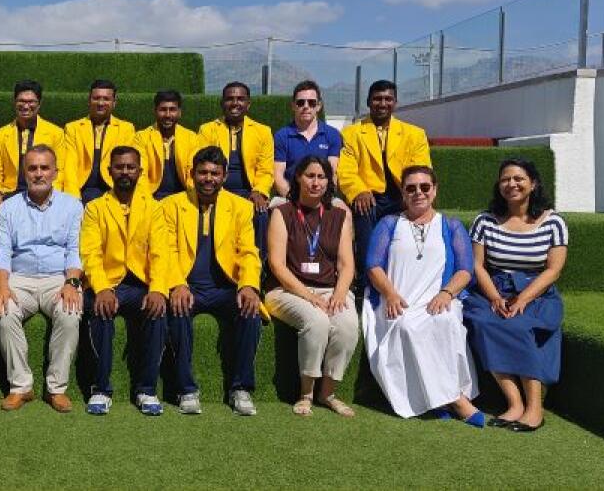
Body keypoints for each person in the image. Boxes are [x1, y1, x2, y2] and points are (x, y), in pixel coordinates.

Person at [362, 165, 482, 425]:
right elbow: (373, 265)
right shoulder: (389, 224)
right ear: (403, 194)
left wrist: (447, 293)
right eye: (411, 188)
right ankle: (456, 401)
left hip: (438, 299)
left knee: (446, 323)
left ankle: (436, 399)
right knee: (407, 327)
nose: (419, 192)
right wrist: (391, 294)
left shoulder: (450, 226)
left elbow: (465, 269)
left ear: (434, 190)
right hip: (395, 300)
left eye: (425, 187)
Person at [463, 159, 568, 433]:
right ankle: (515, 404)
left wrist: (523, 299)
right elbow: (477, 265)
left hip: (537, 292)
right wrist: (495, 297)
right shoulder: (484, 221)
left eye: (519, 179)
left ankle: (535, 409)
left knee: (519, 325)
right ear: (499, 186)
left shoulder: (553, 222)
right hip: (493, 288)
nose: (512, 184)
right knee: (485, 322)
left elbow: (554, 269)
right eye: (505, 179)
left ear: (533, 184)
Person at [160, 146, 263, 416]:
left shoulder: (241, 207)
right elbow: (166, 250)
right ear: (191, 174)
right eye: (203, 172)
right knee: (177, 309)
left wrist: (249, 285)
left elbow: (249, 251)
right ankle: (186, 390)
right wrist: (177, 283)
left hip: (225, 288)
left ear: (225, 175)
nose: (209, 178)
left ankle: (240, 388)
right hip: (188, 286)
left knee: (250, 311)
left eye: (215, 173)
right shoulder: (171, 205)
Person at [0, 145, 84, 413]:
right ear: (24, 172)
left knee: (70, 311)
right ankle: (21, 386)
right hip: (20, 278)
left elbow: (75, 250)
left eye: (45, 168)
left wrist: (72, 283)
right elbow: (2, 252)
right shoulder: (8, 208)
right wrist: (1, 286)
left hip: (59, 277)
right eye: (32, 168)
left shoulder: (72, 206)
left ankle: (57, 389)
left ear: (55, 172)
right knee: (3, 310)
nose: (39, 174)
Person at [264, 155, 358, 417]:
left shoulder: (339, 216)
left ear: (329, 182)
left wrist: (339, 294)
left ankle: (327, 393)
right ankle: (305, 394)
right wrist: (309, 296)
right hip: (286, 290)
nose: (315, 183)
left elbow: (346, 264)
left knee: (347, 324)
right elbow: (277, 266)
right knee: (316, 321)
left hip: (330, 289)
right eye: (310, 176)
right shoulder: (282, 213)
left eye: (321, 177)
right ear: (298, 178)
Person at [79, 145, 169, 416]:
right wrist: (103, 287)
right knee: (100, 309)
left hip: (141, 283)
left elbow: (160, 253)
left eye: (131, 167)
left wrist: (157, 289)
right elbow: (90, 253)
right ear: (109, 172)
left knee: (158, 310)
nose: (125, 172)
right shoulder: (95, 208)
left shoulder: (153, 208)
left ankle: (147, 389)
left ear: (140, 172)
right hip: (109, 281)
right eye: (120, 167)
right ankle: (101, 389)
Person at [339, 79, 431, 274]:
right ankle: (366, 283)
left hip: (402, 195)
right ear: (368, 102)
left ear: (395, 102)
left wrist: (412, 195)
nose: (382, 103)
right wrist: (359, 191)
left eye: (388, 99)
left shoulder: (414, 134)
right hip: (369, 197)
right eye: (377, 99)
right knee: (364, 212)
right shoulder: (351, 134)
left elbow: (421, 170)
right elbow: (346, 171)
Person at [198, 82, 273, 249]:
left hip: (249, 192)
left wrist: (259, 191)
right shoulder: (207, 130)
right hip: (217, 190)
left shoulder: (263, 131)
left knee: (261, 214)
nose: (235, 103)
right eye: (229, 99)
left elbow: (266, 169)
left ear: (248, 104)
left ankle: (260, 266)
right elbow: (202, 165)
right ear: (222, 103)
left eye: (240, 99)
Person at [0, 79, 65, 206]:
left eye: (31, 102)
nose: (25, 106)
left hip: (43, 192)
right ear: (14, 102)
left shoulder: (55, 133)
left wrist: (51, 195)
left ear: (39, 103)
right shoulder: (0, 134)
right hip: (9, 193)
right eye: (21, 101)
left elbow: (60, 170)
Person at [62, 79, 137, 204]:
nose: (101, 103)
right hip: (82, 189)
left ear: (114, 102)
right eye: (96, 98)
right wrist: (72, 199)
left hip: (112, 190)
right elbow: (70, 166)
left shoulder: (126, 129)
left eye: (106, 99)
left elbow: (125, 164)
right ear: (89, 101)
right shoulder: (73, 128)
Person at [272, 80, 342, 204]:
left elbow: (332, 174)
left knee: (345, 213)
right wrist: (294, 200)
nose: (306, 106)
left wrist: (317, 201)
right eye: (300, 102)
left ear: (319, 106)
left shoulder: (332, 135)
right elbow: (278, 176)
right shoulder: (282, 136)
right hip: (288, 198)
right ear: (293, 106)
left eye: (311, 102)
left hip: (322, 197)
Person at [133, 90, 200, 200]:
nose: (168, 115)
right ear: (155, 111)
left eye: (172, 110)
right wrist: (148, 200)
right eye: (163, 110)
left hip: (183, 198)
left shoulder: (191, 138)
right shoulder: (141, 137)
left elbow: (192, 173)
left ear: (179, 112)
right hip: (152, 197)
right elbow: (141, 174)